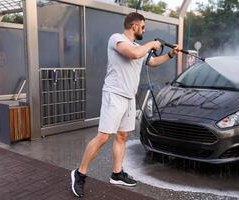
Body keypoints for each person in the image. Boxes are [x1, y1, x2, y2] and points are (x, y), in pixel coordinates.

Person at [71, 12, 179, 197]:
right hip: (114, 95)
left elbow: (151, 62)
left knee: (122, 136)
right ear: (134, 26)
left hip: (129, 97)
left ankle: (117, 173)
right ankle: (79, 173)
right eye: (143, 27)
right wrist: (152, 44)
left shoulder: (139, 46)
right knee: (103, 137)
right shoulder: (117, 39)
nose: (144, 30)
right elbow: (134, 54)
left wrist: (170, 54)